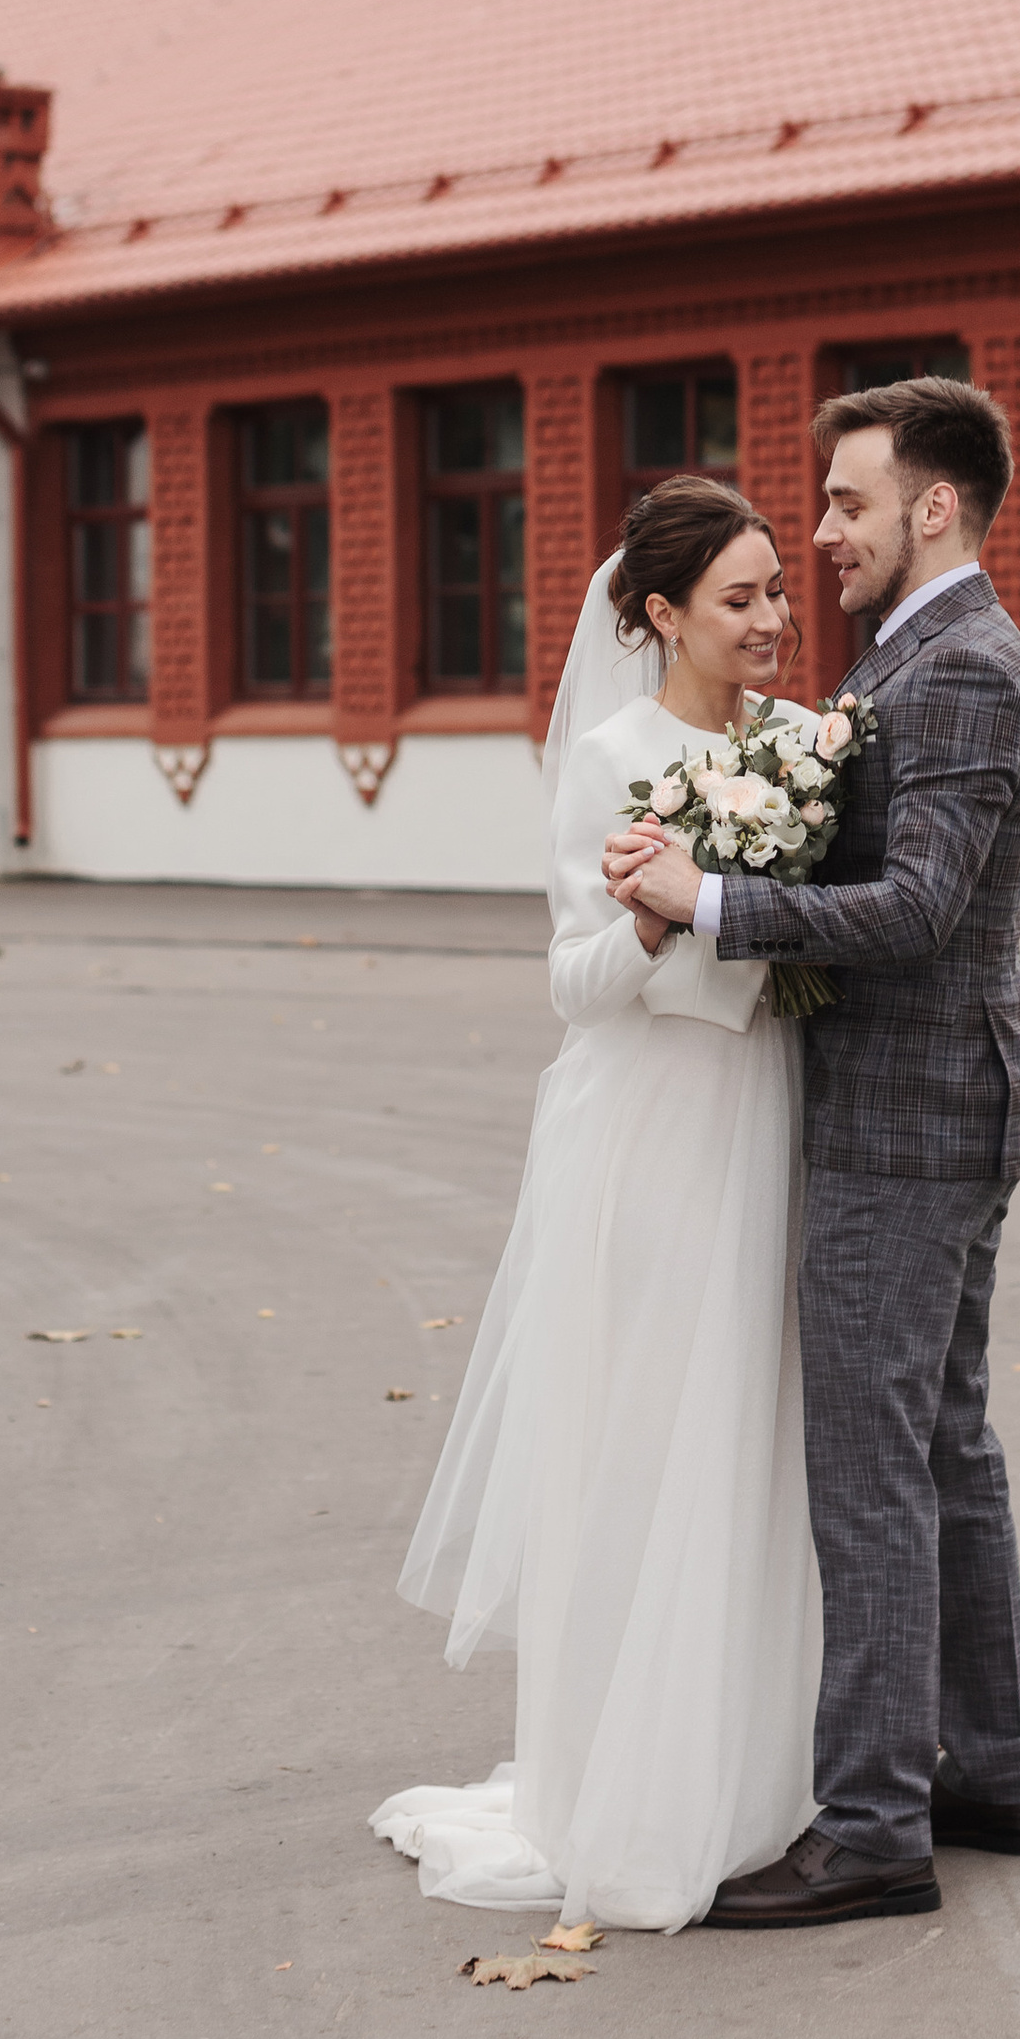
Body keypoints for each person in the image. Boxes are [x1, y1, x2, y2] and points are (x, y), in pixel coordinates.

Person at [606, 375, 1020, 1930]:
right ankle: (989, 1769)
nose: (822, 531)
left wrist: (705, 899)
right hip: (941, 1111)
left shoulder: (963, 675)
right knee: (943, 1448)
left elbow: (918, 912)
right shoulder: (925, 658)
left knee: (874, 1472)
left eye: (849, 502)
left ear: (935, 506)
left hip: (908, 1121)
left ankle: (873, 1825)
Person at [368, 476, 822, 1931]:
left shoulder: (808, 750)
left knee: (752, 1432)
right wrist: (647, 918)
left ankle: (751, 1774)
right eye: (741, 597)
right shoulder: (615, 755)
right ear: (659, 615)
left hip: (764, 1113)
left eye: (776, 590)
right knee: (633, 1438)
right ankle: (611, 1784)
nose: (772, 618)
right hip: (643, 1133)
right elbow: (570, 983)